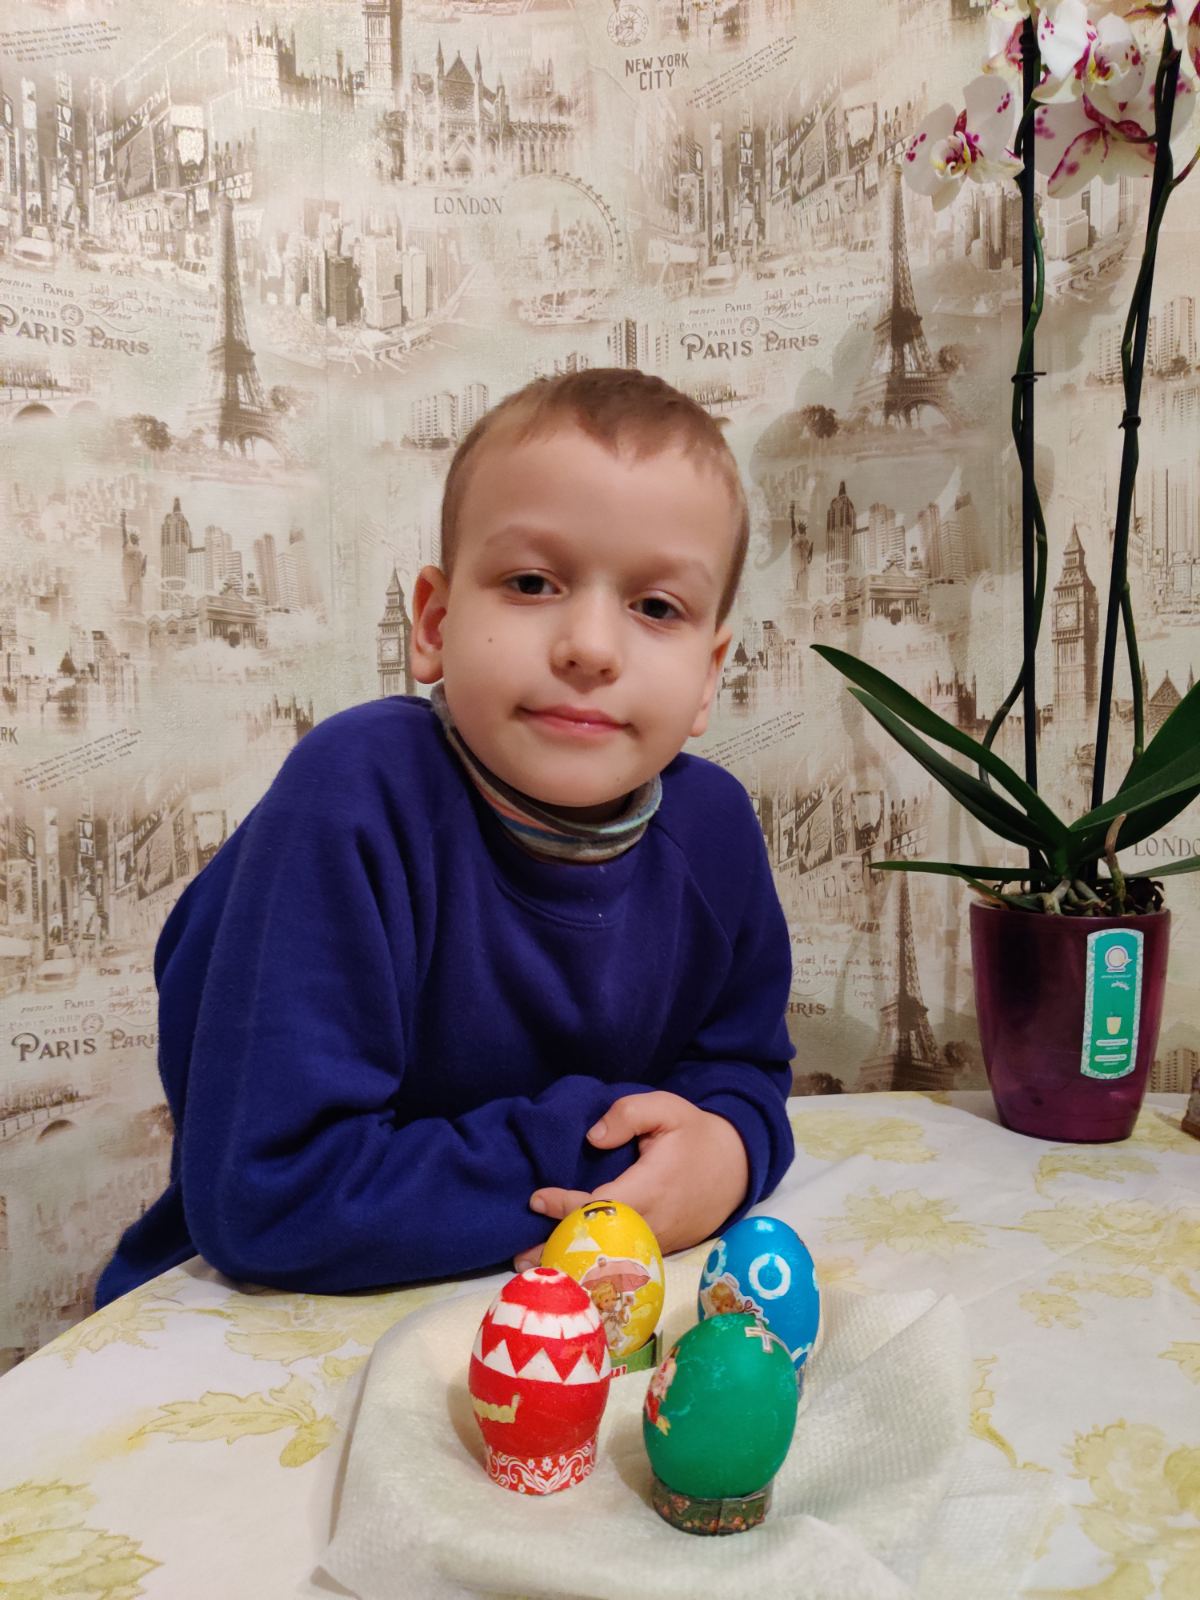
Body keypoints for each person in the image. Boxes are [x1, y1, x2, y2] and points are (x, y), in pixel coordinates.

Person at [94, 368, 796, 1308]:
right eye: (532, 582)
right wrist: (604, 1147)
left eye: (657, 607)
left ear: (709, 676)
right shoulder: (353, 795)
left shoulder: (716, 831)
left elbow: (744, 1068)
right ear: (433, 622)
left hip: (569, 1317)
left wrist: (732, 1147)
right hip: (264, 1320)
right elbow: (270, 1195)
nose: (591, 646)